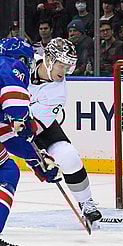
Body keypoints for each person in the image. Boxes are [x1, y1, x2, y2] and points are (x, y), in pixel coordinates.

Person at [27, 38, 102, 224]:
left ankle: (86, 203)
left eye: (68, 66)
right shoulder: (25, 61)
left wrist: (38, 157)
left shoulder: (57, 93)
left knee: (69, 157)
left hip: (32, 125)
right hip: (8, 115)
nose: (65, 71)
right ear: (49, 60)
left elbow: (32, 129)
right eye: (61, 65)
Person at [0, 37, 62, 246]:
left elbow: (8, 137)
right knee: (6, 171)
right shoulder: (10, 65)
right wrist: (24, 120)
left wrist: (37, 161)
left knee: (6, 169)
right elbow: (15, 106)